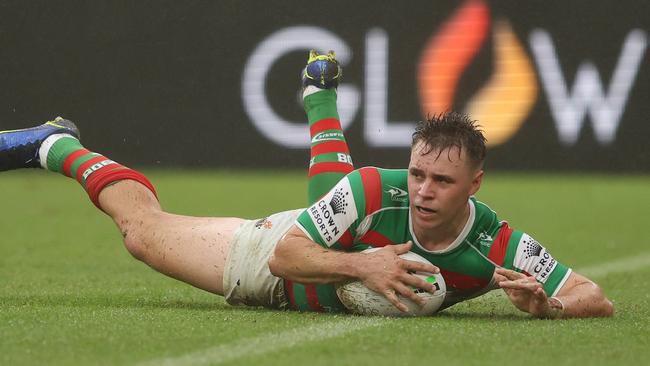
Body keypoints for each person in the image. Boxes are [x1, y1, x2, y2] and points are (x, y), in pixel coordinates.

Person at [0, 51, 613, 318]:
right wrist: (365, 269)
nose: (423, 190)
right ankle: (57, 146)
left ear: (474, 184)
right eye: (418, 172)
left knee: (335, 197)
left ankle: (319, 100)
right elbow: (288, 253)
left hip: (330, 240)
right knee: (142, 233)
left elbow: (594, 297)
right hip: (275, 264)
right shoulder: (382, 186)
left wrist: (548, 305)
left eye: (443, 181)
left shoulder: (495, 242)